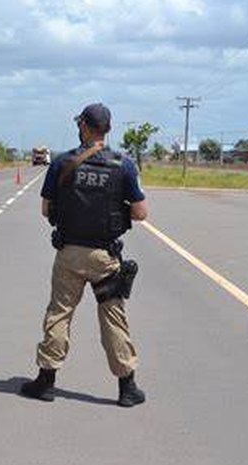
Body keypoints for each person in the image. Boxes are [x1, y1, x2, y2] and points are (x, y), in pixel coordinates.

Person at [20, 103, 149, 407]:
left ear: (83, 127)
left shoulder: (62, 163)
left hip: (69, 253)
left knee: (59, 313)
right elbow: (141, 213)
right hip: (105, 257)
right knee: (114, 318)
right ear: (107, 129)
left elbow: (45, 209)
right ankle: (127, 387)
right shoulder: (124, 165)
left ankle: (46, 382)